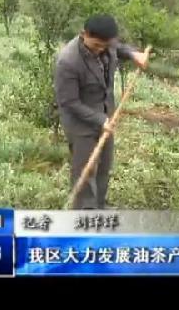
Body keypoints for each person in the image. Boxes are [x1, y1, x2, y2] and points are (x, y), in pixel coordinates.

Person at [54, 14, 149, 209]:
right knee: (85, 173)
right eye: (96, 45)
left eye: (104, 46)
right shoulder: (68, 61)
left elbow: (118, 48)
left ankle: (99, 209)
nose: (100, 50)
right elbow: (69, 102)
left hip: (106, 116)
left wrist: (134, 54)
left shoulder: (107, 44)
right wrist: (100, 120)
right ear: (84, 34)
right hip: (81, 124)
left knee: (104, 168)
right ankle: (84, 218)